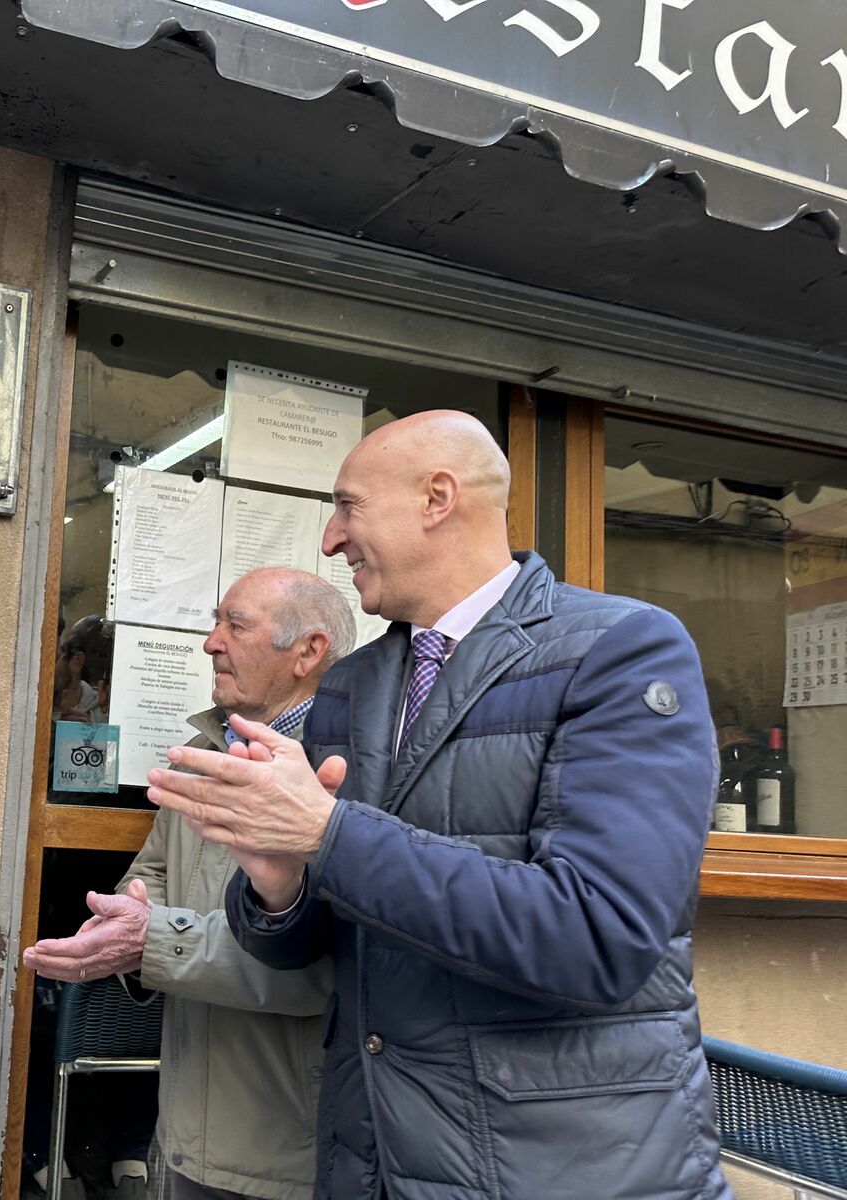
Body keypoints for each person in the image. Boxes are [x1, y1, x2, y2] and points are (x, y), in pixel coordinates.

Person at [147, 411, 731, 1200]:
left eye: (348, 506)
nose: (330, 538)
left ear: (437, 498)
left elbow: (600, 936)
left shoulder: (621, 650)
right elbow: (312, 949)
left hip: (557, 1167)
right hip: (374, 1157)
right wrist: (278, 885)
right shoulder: (352, 685)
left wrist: (328, 835)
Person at [26, 568, 355, 1200]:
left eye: (235, 625)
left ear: (308, 652)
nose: (211, 642)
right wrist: (122, 917)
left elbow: (321, 961)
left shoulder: (343, 770)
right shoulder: (206, 746)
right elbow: (151, 874)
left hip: (288, 1158)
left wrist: (149, 942)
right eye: (215, 622)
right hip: (181, 1134)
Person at [55, 613, 114, 724]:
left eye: (62, 652)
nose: (55, 665)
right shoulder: (42, 704)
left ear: (77, 661)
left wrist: (86, 734)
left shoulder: (102, 716)